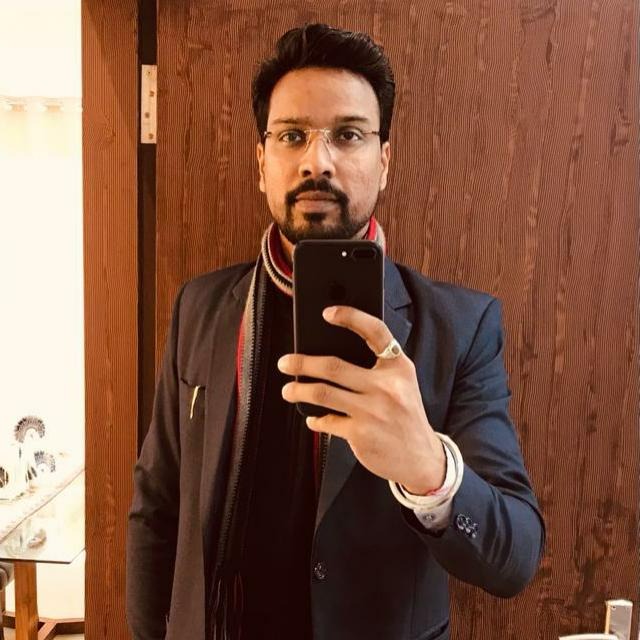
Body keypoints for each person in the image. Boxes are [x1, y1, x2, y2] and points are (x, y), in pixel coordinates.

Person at [126, 23, 545, 640]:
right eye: (292, 135)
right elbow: (157, 508)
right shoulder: (201, 308)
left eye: (348, 135)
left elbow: (516, 556)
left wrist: (427, 468)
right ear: (261, 161)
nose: (316, 161)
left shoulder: (459, 328)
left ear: (384, 161)